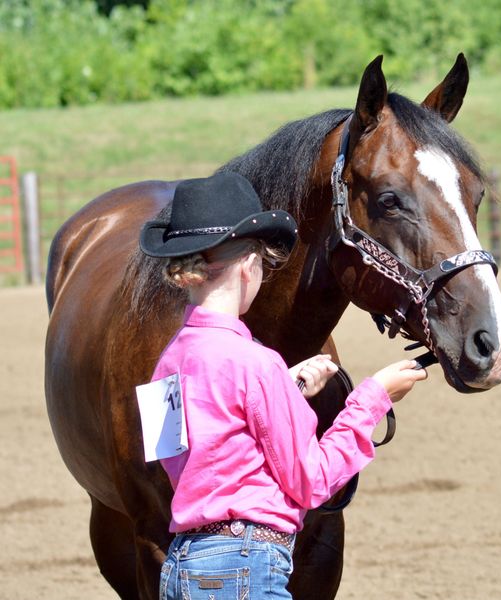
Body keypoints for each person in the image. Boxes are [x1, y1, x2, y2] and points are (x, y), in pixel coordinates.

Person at [139, 172, 428, 600]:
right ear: (249, 267)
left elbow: (182, 458)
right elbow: (312, 481)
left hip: (183, 565)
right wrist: (373, 397)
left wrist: (283, 391)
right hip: (246, 565)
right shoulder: (257, 364)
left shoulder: (166, 362)